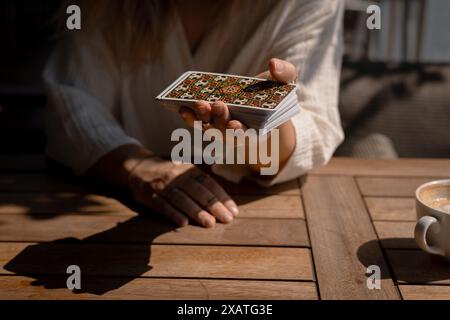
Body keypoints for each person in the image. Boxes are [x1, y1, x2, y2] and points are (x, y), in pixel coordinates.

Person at [44, 0, 345, 228]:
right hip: (120, 206)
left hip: (253, 215)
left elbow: (311, 128)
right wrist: (137, 166)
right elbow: (72, 104)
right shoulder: (108, 8)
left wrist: (257, 128)